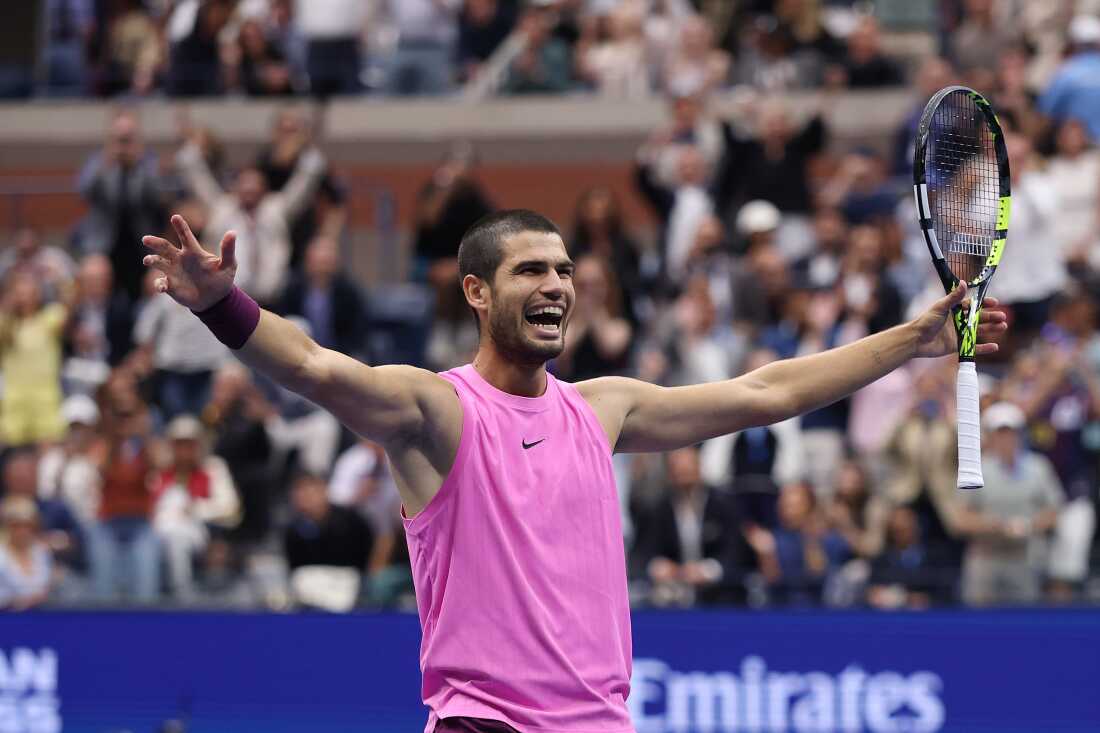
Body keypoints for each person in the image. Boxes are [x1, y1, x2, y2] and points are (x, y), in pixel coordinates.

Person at [140, 209, 1005, 733]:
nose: (555, 283)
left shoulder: (604, 408)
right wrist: (224, 305)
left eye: (562, 268)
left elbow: (765, 388)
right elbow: (316, 367)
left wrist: (915, 341)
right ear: (477, 292)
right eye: (530, 270)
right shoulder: (435, 411)